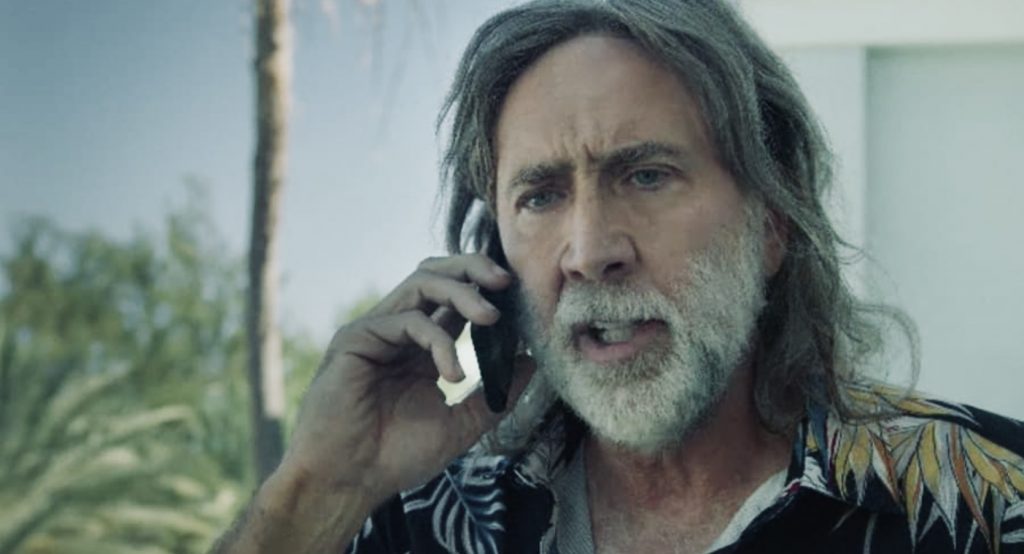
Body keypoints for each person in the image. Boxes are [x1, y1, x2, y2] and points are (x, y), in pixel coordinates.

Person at [213, 1, 1024, 552]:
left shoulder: (987, 499)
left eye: (646, 175)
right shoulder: (419, 521)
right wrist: (315, 493)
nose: (589, 250)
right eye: (540, 195)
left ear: (772, 225)